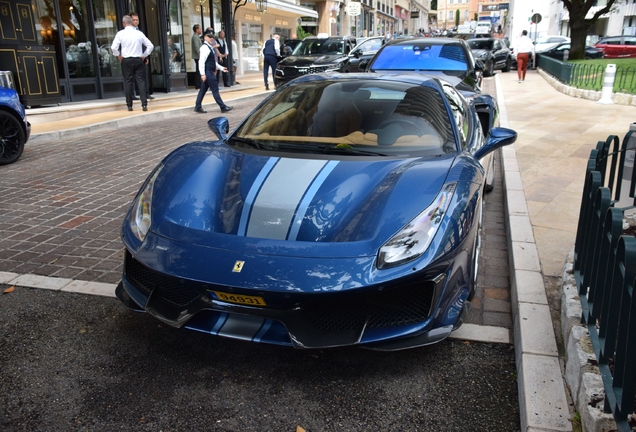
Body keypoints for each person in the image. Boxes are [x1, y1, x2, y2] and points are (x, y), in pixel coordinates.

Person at [111, 15, 154, 111]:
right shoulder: (138, 33)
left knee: (128, 82)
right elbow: (150, 46)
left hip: (126, 60)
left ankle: (129, 105)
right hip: (138, 59)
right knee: (141, 81)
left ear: (124, 23)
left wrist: (118, 55)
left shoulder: (120, 34)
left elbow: (114, 47)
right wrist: (144, 55)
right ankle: (144, 104)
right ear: (131, 22)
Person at [193, 29, 232, 114]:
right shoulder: (204, 48)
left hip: (209, 71)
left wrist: (221, 68)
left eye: (212, 37)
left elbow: (212, 62)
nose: (211, 39)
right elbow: (201, 62)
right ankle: (222, 107)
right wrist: (202, 74)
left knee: (203, 90)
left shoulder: (209, 47)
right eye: (209, 37)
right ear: (205, 37)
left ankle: (197, 106)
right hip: (208, 72)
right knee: (215, 89)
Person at [130, 13, 154, 100]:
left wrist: (145, 56)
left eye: (137, 20)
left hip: (141, 57)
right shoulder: (127, 32)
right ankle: (132, 95)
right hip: (131, 57)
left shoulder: (139, 31)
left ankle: (145, 94)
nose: (136, 22)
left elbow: (144, 44)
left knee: (143, 77)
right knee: (131, 78)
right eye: (134, 20)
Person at [191, 24, 203, 89]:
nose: (201, 30)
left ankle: (199, 84)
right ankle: (198, 85)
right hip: (198, 56)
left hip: (198, 56)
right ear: (197, 30)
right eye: (200, 29)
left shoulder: (197, 37)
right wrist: (200, 55)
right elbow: (196, 47)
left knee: (199, 70)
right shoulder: (195, 37)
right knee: (198, 70)